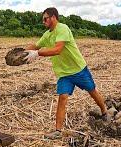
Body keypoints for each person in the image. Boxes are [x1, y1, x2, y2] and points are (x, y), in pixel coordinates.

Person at [24, 7, 108, 139]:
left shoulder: (62, 28)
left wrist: (37, 54)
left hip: (78, 69)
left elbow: (58, 49)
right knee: (62, 98)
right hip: (64, 74)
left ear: (53, 17)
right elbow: (36, 45)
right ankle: (58, 130)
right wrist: (22, 52)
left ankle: (104, 112)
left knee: (92, 91)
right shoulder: (47, 35)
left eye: (45, 19)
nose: (43, 22)